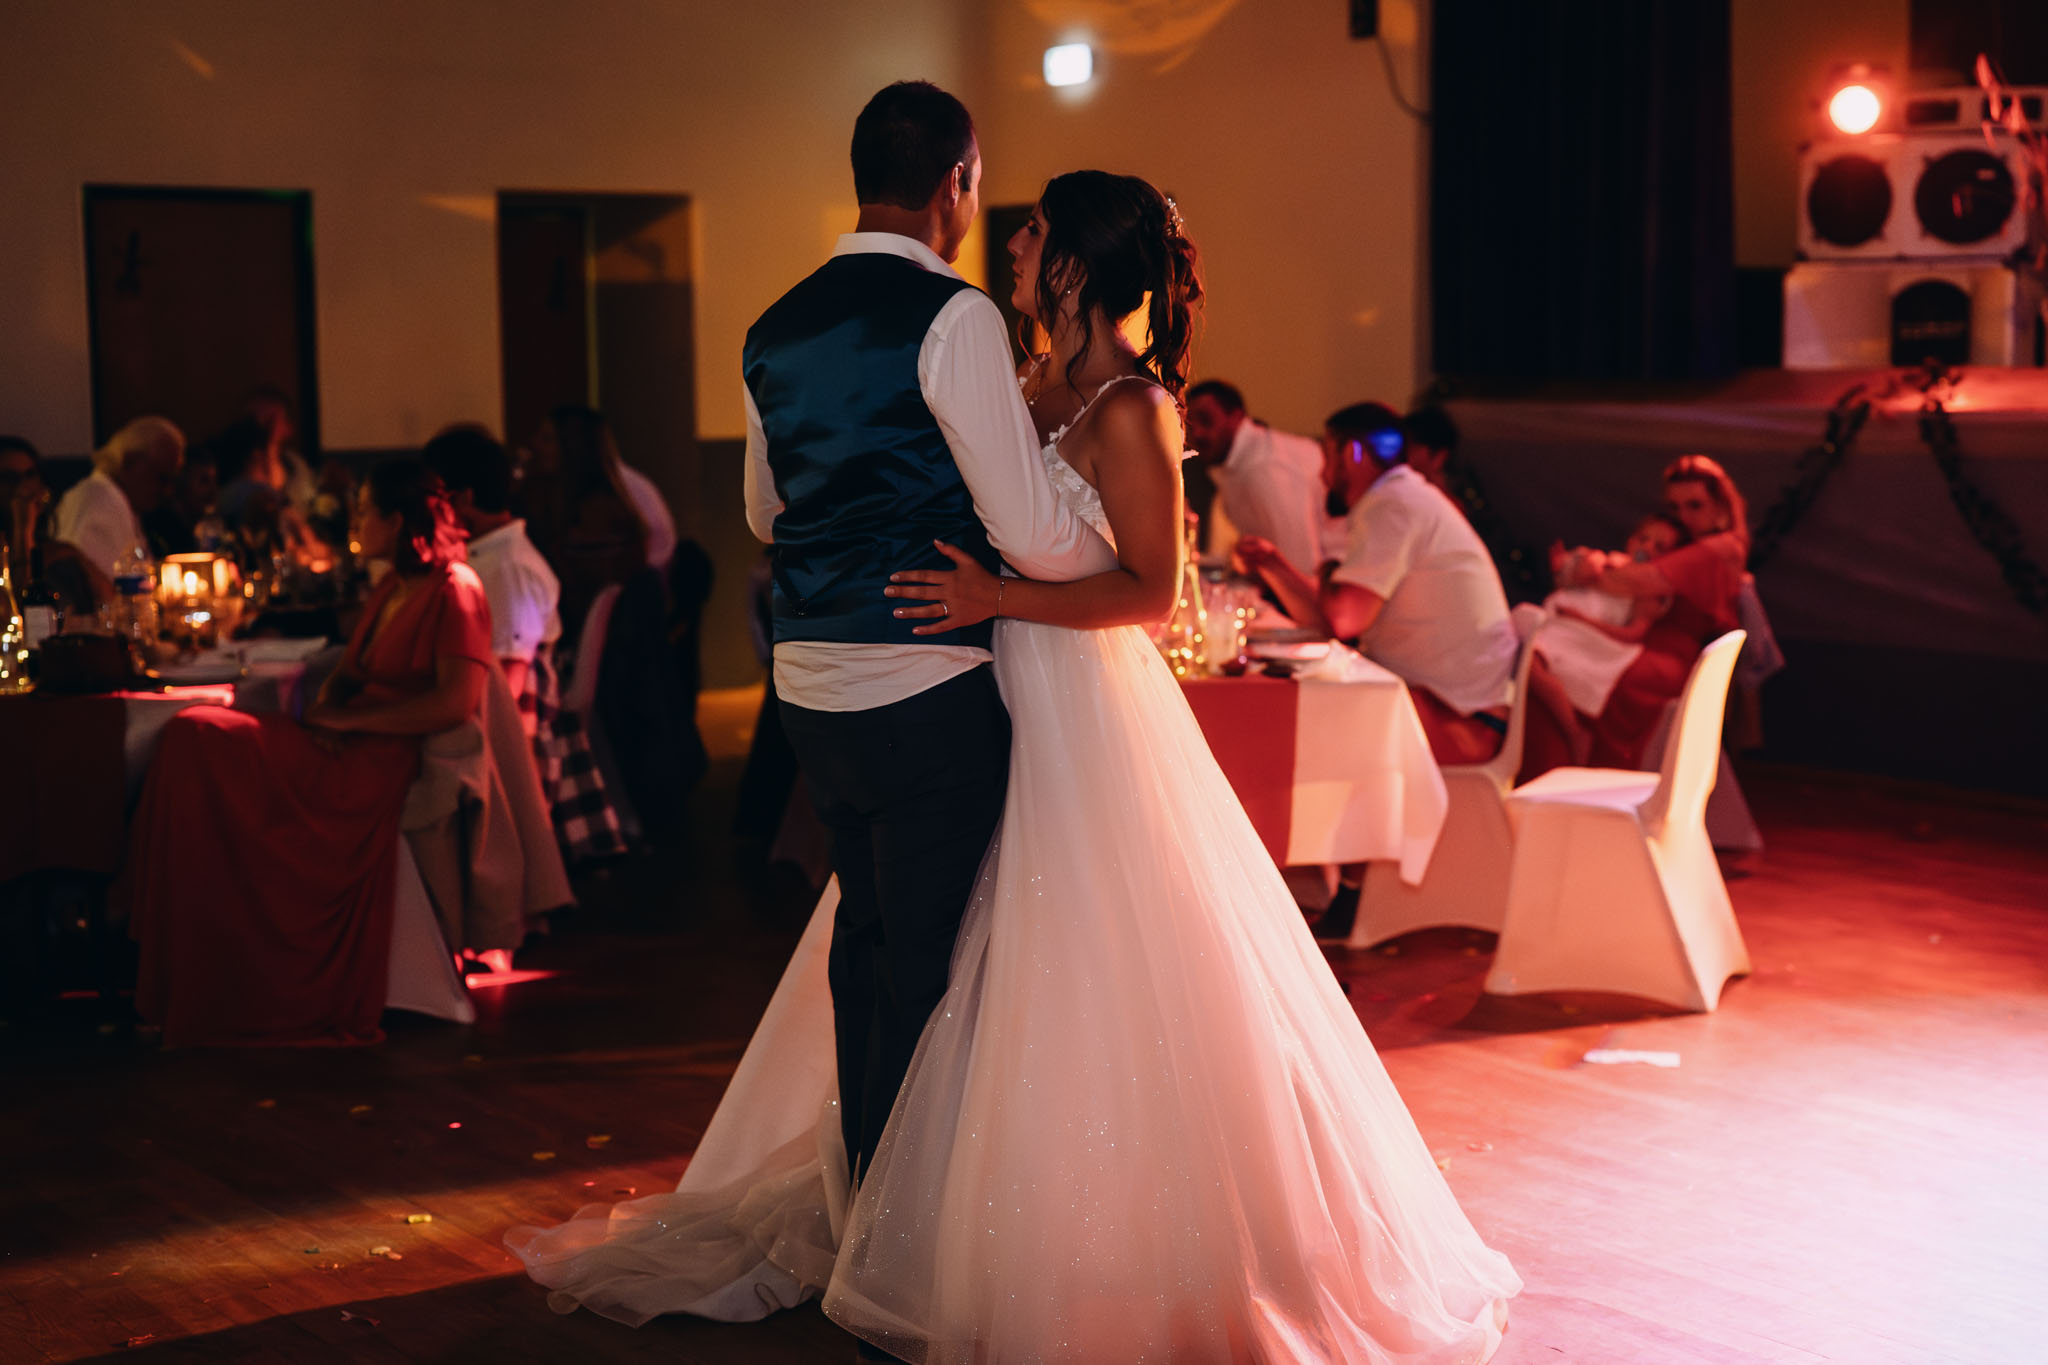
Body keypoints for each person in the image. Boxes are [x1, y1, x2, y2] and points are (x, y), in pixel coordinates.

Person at [511, 155, 1517, 1363]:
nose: (1015, 247)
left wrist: (996, 592)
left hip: (1079, 704)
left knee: (1077, 951)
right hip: (978, 695)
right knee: (955, 951)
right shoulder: (1020, 381)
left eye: (1035, 233)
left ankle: (1068, 1238)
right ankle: (926, 1206)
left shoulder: (1135, 409)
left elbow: (1149, 592)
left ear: (1081, 263)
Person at [127, 457, 492, 1046]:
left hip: (378, 764)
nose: (355, 522)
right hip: (347, 744)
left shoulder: (457, 590)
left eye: (365, 512)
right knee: (190, 737)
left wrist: (352, 721)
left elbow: (454, 703)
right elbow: (346, 676)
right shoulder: (392, 587)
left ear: (397, 522)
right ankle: (186, 967)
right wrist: (329, 711)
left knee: (198, 736)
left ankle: (209, 977)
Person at [1241, 402, 1520, 766]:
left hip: (1461, 721)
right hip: (1454, 706)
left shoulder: (1392, 505)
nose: (1323, 477)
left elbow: (1344, 621)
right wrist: (1272, 565)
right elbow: (1331, 621)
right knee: (1290, 715)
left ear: (1352, 453)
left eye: (1327, 458)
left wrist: (1327, 566)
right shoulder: (1401, 498)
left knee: (1280, 731)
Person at [424, 423, 626, 866]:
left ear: (464, 501)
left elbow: (507, 689)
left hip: (514, 745)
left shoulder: (507, 570)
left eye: (433, 501)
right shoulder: (488, 560)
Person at [1565, 454, 1750, 769]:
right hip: (1648, 644)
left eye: (1695, 505)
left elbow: (1638, 580)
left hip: (1670, 656)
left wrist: (1583, 569)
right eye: (1675, 508)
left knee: (1603, 683)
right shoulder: (1695, 544)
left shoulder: (1719, 548)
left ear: (1720, 506)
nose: (1683, 516)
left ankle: (1602, 784)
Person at [1520, 511, 1688, 765]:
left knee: (1531, 661)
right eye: (1644, 538)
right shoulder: (1610, 564)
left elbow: (1634, 633)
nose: (1647, 547)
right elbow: (1569, 581)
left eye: (1659, 546)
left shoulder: (1651, 590)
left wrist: (1582, 621)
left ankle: (1574, 732)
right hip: (1557, 621)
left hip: (1586, 635)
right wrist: (1574, 569)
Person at [1184, 377, 1343, 575]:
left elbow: (1301, 566)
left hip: (1339, 586)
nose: (1197, 433)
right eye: (1189, 426)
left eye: (1206, 420)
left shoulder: (1265, 468)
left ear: (1236, 417)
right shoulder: (1233, 466)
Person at [51, 416, 183, 584]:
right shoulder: (100, 503)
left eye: (172, 481)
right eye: (161, 478)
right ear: (130, 461)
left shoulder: (116, 499)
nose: (167, 491)